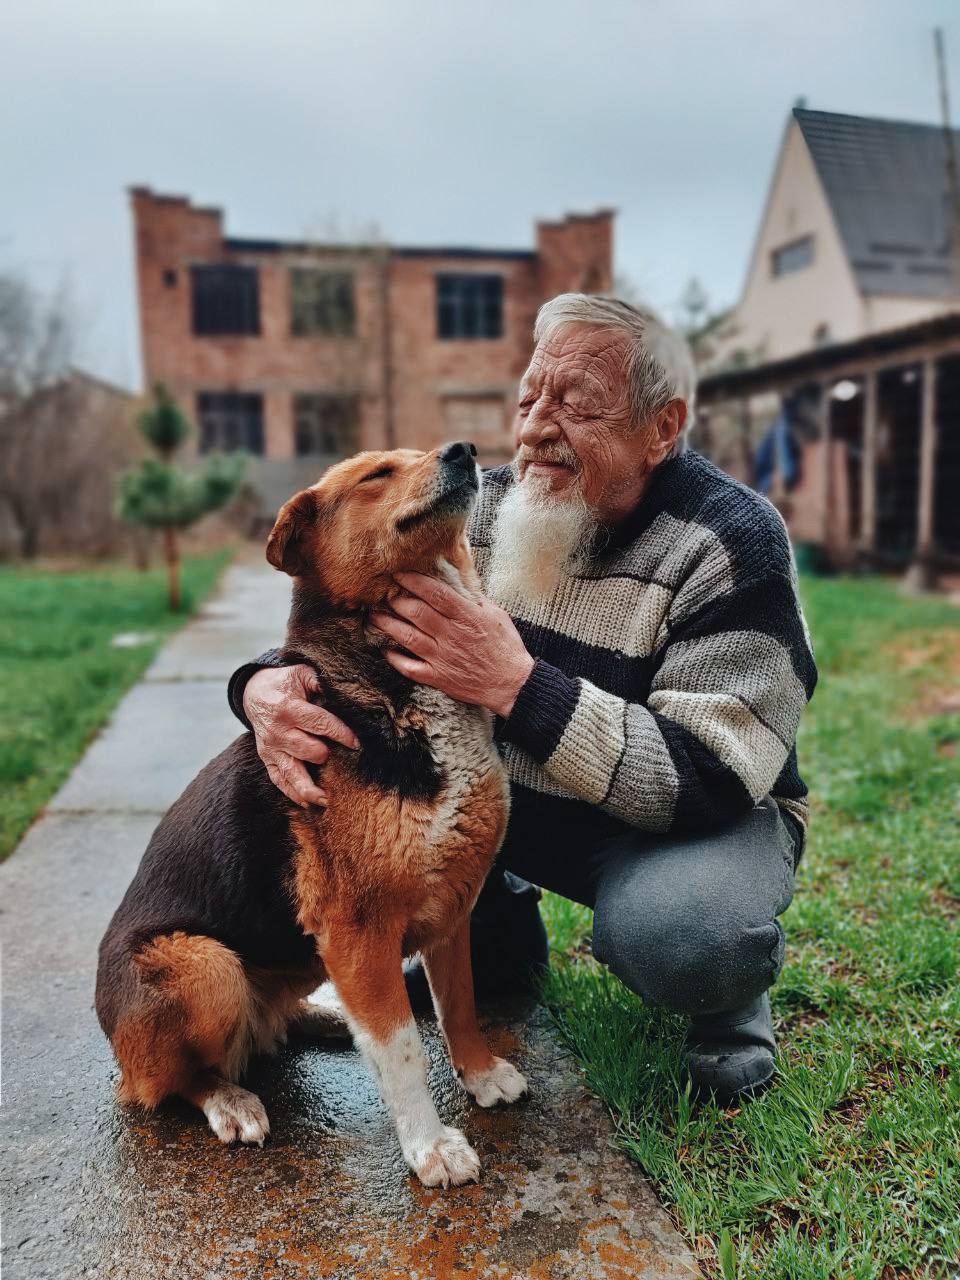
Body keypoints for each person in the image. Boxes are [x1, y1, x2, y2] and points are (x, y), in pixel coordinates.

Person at [227, 294, 817, 1105]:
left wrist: (516, 684)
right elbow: (354, 604)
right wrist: (258, 682)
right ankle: (502, 916)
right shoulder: (493, 501)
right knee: (476, 939)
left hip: (697, 824)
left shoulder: (731, 541)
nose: (538, 425)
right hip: (522, 812)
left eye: (576, 404)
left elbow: (707, 776)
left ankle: (726, 1005)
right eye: (529, 397)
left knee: (684, 934)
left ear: (662, 427)